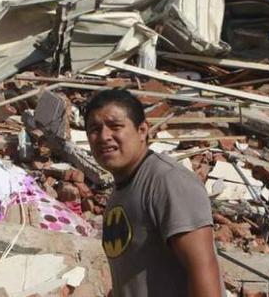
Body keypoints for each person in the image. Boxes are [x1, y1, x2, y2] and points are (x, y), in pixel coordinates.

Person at [84, 88, 222, 297]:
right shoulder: (121, 191)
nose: (104, 136)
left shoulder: (168, 181)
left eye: (115, 126)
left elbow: (203, 268)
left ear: (142, 131)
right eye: (94, 129)